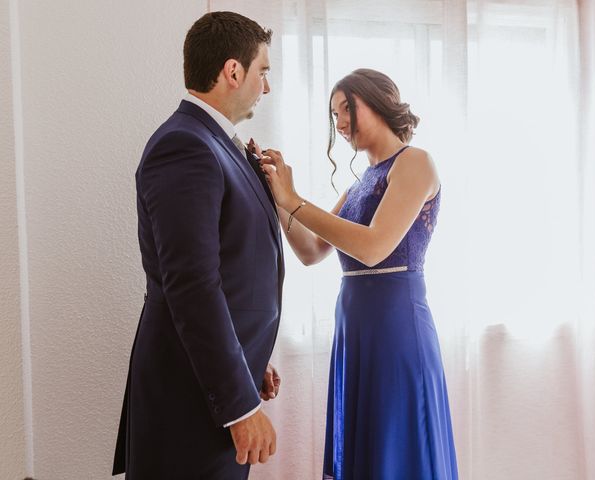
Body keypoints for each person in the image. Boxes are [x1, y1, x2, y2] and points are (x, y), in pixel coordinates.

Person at [260, 68, 458, 479]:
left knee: (398, 449)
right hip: (355, 328)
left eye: (346, 108)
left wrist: (294, 199)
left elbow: (372, 248)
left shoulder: (415, 163)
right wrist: (278, 196)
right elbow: (311, 251)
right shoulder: (359, 184)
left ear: (379, 100)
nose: (341, 123)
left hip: (396, 327)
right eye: (334, 115)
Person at [112, 12, 284, 479]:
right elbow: (192, 285)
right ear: (233, 71)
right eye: (263, 71)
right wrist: (239, 406)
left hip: (212, 382)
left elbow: (233, 270)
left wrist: (249, 358)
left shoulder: (213, 142)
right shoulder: (185, 145)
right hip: (190, 399)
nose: (266, 87)